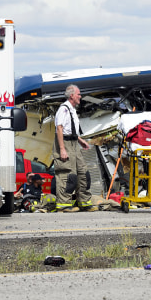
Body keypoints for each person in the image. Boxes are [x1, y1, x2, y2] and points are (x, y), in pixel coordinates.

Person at [53, 84, 98, 212]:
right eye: (78, 94)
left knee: (83, 172)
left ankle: (84, 202)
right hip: (65, 143)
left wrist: (80, 140)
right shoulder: (63, 109)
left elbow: (70, 130)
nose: (80, 96)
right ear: (72, 95)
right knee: (67, 174)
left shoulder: (72, 110)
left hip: (73, 143)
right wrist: (62, 149)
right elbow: (59, 129)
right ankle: (64, 205)